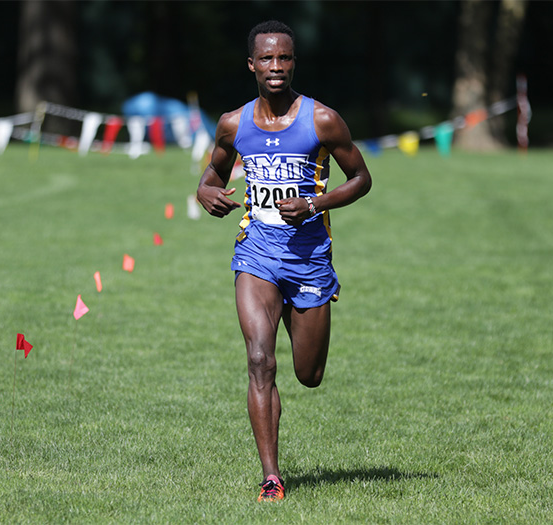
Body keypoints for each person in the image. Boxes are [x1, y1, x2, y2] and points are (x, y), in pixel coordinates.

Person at [196, 20, 372, 502]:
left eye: (285, 58)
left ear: (294, 63)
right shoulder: (234, 122)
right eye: (267, 59)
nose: (277, 68)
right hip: (257, 252)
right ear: (252, 65)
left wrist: (315, 204)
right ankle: (271, 476)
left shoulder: (322, 120)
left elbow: (361, 178)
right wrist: (206, 192)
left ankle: (275, 409)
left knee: (308, 375)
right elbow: (212, 172)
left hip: (310, 258)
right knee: (258, 360)